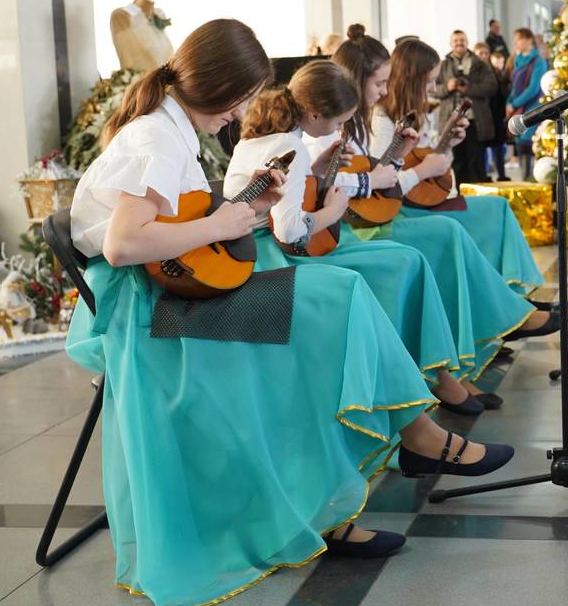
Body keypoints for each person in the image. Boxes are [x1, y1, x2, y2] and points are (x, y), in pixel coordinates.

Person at [64, 19, 514, 606]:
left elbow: (174, 222)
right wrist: (226, 223)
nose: (246, 110)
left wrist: (248, 197)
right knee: (339, 303)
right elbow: (123, 245)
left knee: (341, 296)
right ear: (222, 87)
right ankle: (401, 451)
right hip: (153, 313)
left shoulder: (168, 128)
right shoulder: (157, 138)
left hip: (173, 290)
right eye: (245, 97)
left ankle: (394, 454)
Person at [225, 59, 525, 414]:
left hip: (272, 247)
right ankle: (424, 386)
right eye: (338, 121)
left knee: (407, 260)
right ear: (317, 114)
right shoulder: (288, 146)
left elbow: (289, 197)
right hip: (270, 255)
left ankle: (438, 377)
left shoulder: (277, 138)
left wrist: (319, 168)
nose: (340, 127)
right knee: (401, 263)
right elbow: (289, 229)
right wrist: (333, 212)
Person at [377, 37, 548, 295]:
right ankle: (497, 300)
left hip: (419, 198)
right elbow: (383, 184)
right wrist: (425, 169)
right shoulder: (382, 122)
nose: (434, 88)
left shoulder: (415, 113)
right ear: (410, 81)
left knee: (499, 207)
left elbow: (428, 162)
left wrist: (448, 142)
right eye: (429, 81)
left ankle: (514, 292)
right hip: (402, 208)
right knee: (464, 223)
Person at [433, 30, 497, 183]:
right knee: (458, 159)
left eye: (462, 40)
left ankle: (478, 193)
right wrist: (447, 87)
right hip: (451, 120)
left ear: (467, 42)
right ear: (450, 43)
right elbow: (433, 89)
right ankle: (460, 192)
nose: (459, 43)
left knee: (476, 159)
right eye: (455, 40)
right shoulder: (443, 65)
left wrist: (469, 89)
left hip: (474, 120)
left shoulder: (479, 64)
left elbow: (492, 86)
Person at [509, 27, 547, 180]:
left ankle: (531, 181)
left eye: (519, 39)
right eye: (515, 40)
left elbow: (533, 88)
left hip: (533, 106)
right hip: (519, 107)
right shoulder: (518, 60)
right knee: (520, 143)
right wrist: (509, 102)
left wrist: (515, 103)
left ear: (529, 39)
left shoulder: (538, 60)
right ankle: (524, 181)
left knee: (528, 143)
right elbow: (514, 85)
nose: (516, 43)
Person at [487, 46, 513, 180]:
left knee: (499, 147)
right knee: (495, 147)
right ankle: (500, 174)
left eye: (500, 62)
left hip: (500, 115)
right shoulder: (492, 76)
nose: (498, 64)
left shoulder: (503, 76)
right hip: (492, 115)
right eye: (496, 61)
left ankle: (501, 174)